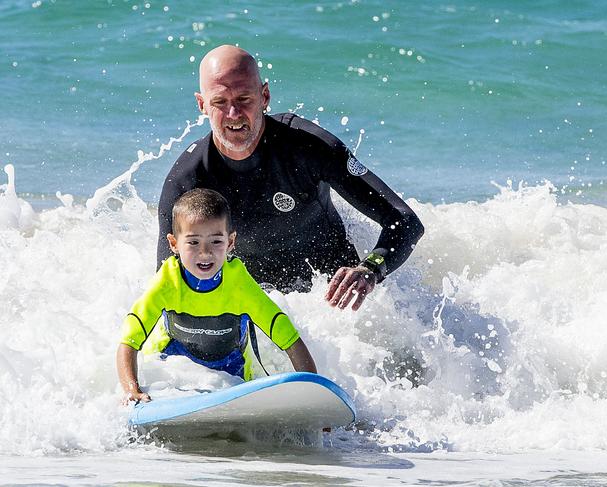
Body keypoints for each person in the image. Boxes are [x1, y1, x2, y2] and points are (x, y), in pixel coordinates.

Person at [158, 45, 424, 311]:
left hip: (338, 302)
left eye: (244, 99)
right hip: (254, 304)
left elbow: (405, 220)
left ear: (265, 96)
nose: (233, 114)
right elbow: (165, 284)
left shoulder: (308, 147)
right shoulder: (188, 180)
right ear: (202, 104)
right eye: (220, 102)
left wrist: (370, 269)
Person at [118, 188, 316, 403]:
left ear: (230, 242)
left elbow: (289, 339)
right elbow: (129, 341)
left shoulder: (239, 284)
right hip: (170, 368)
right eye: (193, 242)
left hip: (232, 374)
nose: (205, 252)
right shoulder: (167, 283)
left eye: (216, 241)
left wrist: (314, 397)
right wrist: (132, 389)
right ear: (174, 244)